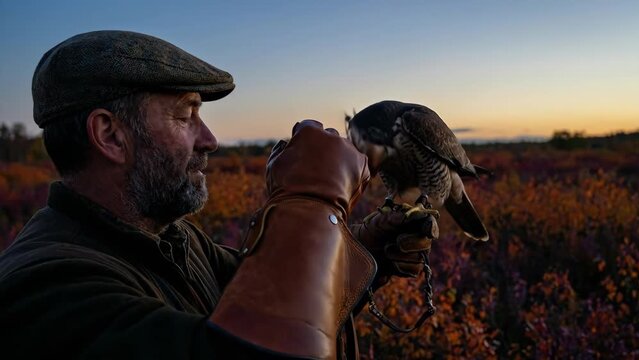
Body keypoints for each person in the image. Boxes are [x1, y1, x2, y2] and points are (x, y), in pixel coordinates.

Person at [0, 30, 437, 359]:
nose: (209, 139)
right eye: (185, 114)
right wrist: (313, 196)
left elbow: (272, 303)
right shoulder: (44, 289)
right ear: (110, 135)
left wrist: (364, 248)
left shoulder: (173, 240)